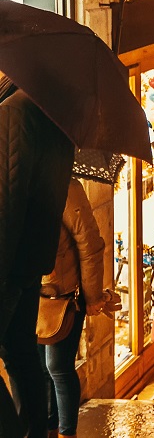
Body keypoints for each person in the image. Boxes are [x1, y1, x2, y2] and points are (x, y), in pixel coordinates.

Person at [0, 81, 74, 438]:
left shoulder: (13, 112)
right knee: (22, 358)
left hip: (8, 264)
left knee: (22, 359)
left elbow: (7, 197)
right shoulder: (56, 116)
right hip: (30, 262)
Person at [39, 177, 111, 438]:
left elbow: (89, 246)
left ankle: (67, 433)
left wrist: (92, 297)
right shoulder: (23, 183)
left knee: (57, 366)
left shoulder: (67, 187)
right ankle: (49, 429)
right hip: (35, 294)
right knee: (40, 369)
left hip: (66, 294)